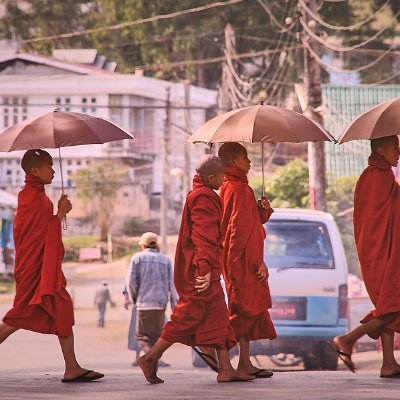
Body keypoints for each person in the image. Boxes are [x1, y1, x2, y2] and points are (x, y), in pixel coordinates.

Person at [137, 155, 254, 384]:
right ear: (211, 177)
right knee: (185, 315)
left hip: (206, 267)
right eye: (221, 176)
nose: (223, 181)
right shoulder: (204, 197)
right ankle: (151, 357)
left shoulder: (202, 193)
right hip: (201, 269)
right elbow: (204, 236)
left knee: (219, 317)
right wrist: (204, 268)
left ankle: (226, 369)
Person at [0, 149, 103, 383]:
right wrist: (60, 214)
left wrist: (58, 214)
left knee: (60, 310)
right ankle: (72, 367)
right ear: (35, 171)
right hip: (34, 270)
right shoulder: (33, 199)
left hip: (39, 268)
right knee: (16, 317)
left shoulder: (35, 196)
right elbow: (41, 235)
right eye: (49, 166)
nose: (54, 171)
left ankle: (72, 367)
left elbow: (41, 233)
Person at [332, 135, 400, 378]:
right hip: (383, 252)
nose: (399, 151)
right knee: (394, 305)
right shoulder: (380, 177)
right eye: (394, 147)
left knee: (388, 305)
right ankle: (348, 339)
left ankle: (389, 363)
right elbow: (380, 219)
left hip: (378, 252)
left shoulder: (371, 175)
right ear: (380, 150)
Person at [218, 142, 277, 379]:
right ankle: (225, 359)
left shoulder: (228, 187)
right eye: (245, 157)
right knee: (242, 311)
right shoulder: (240, 189)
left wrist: (263, 211)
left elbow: (248, 222)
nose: (249, 161)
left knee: (247, 311)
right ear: (233, 162)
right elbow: (238, 232)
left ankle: (244, 362)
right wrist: (255, 262)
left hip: (235, 258)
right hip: (241, 260)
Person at [126, 232, 177, 365]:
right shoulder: (165, 260)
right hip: (160, 304)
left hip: (144, 303)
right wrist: (173, 304)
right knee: (156, 336)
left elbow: (131, 282)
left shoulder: (137, 258)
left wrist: (134, 299)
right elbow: (172, 284)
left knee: (142, 336)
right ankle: (153, 364)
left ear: (143, 245)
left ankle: (148, 358)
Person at [122, 288, 141, 366]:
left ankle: (156, 358)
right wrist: (127, 299)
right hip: (138, 304)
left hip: (154, 304)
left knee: (156, 331)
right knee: (136, 331)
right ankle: (137, 358)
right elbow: (128, 285)